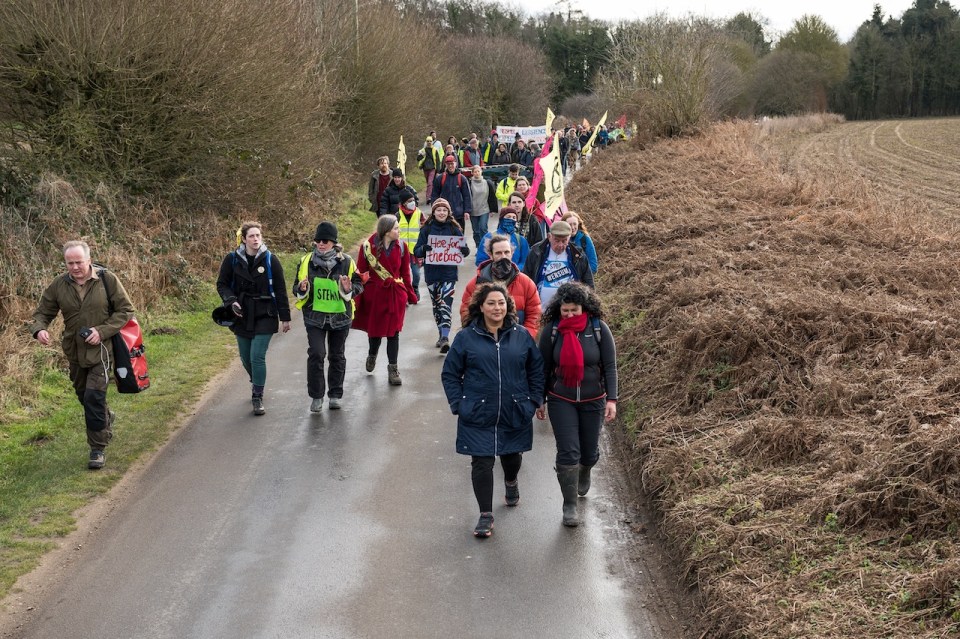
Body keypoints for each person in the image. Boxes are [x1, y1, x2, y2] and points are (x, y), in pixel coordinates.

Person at [441, 283, 544, 538]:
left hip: (515, 410)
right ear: (481, 306)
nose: (497, 308)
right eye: (491, 303)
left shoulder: (522, 336)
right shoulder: (466, 338)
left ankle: (511, 482)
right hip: (477, 412)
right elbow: (450, 374)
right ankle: (485, 514)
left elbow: (536, 371)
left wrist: (533, 401)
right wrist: (459, 404)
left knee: (511, 457)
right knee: (482, 461)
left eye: (501, 303)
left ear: (508, 305)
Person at [30, 240, 135, 469]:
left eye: (79, 262)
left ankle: (97, 449)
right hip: (74, 352)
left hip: (102, 351)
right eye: (70, 263)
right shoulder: (59, 285)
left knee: (93, 398)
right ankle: (106, 417)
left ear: (89, 260)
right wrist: (40, 329)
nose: (75, 267)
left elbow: (126, 310)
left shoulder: (107, 280)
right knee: (84, 397)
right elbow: (43, 312)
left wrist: (102, 331)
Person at [536, 282, 618, 527]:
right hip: (562, 399)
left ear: (584, 308)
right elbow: (543, 368)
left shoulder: (599, 329)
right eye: (565, 311)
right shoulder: (552, 332)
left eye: (574, 310)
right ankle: (569, 505)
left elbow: (611, 367)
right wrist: (540, 400)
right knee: (568, 451)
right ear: (558, 310)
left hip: (594, 399)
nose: (569, 315)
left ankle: (586, 468)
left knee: (588, 452)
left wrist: (612, 399)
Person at [216, 221, 292, 416]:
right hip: (242, 314)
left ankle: (257, 396)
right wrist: (231, 301)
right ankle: (256, 379)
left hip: (265, 313)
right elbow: (222, 284)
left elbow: (281, 290)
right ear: (243, 239)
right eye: (251, 236)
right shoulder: (232, 260)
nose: (256, 239)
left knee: (257, 356)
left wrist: (285, 317)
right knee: (245, 357)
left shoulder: (270, 260)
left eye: (258, 235)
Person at [293, 222, 364, 412]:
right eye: (317, 240)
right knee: (317, 354)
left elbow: (358, 285)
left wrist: (349, 289)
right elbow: (296, 288)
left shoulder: (347, 262)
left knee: (336, 356)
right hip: (314, 318)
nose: (320, 244)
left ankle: (335, 395)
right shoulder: (306, 261)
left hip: (340, 318)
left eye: (324, 241)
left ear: (333, 242)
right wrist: (302, 289)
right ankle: (317, 396)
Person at [353, 215, 417, 386]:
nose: (399, 231)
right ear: (387, 231)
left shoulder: (402, 246)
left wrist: (410, 294)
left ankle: (393, 368)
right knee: (375, 332)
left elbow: (405, 273)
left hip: (395, 294)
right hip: (375, 295)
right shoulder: (367, 246)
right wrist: (357, 295)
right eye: (396, 228)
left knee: (394, 333)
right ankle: (372, 354)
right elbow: (361, 273)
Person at [413, 198, 469, 353]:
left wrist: (464, 250)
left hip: (449, 274)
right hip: (432, 274)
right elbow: (416, 251)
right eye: (439, 210)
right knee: (437, 306)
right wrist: (425, 248)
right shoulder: (426, 229)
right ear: (434, 212)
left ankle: (445, 337)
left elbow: (464, 248)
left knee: (445, 304)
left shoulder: (453, 228)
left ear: (448, 212)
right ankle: (441, 334)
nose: (442, 212)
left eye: (444, 210)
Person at [461, 234, 541, 337]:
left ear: (512, 253)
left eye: (506, 252)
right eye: (498, 253)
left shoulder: (526, 283)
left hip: (517, 341)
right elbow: (466, 313)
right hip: (485, 340)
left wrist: (525, 338)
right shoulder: (476, 283)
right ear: (491, 255)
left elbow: (535, 314)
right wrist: (478, 337)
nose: (503, 256)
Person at [522, 219, 594, 309]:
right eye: (556, 240)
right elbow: (525, 279)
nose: (560, 245)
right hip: (540, 309)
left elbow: (588, 283)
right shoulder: (536, 252)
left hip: (569, 311)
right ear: (549, 236)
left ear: (569, 238)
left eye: (564, 241)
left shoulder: (577, 254)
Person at [475, 205, 529, 270]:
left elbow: (525, 261)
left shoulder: (521, 240)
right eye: (508, 217)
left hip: (515, 276)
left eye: (514, 217)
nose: (511, 219)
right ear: (501, 219)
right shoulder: (489, 237)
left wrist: (514, 270)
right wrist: (495, 270)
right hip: (493, 277)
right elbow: (480, 261)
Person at [430, 154, 472, 229]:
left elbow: (467, 196)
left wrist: (467, 211)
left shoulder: (462, 178)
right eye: (448, 164)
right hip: (444, 215)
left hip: (459, 215)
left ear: (455, 164)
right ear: (445, 165)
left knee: (459, 237)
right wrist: (434, 209)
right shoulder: (440, 178)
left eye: (452, 164)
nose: (450, 166)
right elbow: (434, 195)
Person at [397, 191, 423, 300]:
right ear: (403, 203)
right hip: (401, 251)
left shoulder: (419, 213)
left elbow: (425, 227)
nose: (412, 203)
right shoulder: (397, 215)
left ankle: (415, 287)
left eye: (413, 200)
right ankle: (404, 292)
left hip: (415, 250)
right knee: (403, 274)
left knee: (416, 273)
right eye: (409, 201)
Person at [467, 164, 498, 251]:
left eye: (478, 171)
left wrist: (493, 210)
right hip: (473, 210)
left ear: (481, 172)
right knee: (476, 231)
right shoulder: (469, 183)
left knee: (483, 228)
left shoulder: (487, 183)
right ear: (472, 173)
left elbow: (492, 196)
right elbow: (466, 196)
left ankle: (485, 247)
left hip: (484, 209)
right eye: (475, 171)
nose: (477, 173)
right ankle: (478, 247)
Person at [418, 136, 443, 202]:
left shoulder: (435, 150)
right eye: (428, 141)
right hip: (425, 168)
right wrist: (421, 155)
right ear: (426, 142)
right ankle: (432, 194)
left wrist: (437, 171)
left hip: (432, 168)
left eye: (430, 141)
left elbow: (437, 161)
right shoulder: (422, 150)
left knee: (430, 182)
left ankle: (428, 197)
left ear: (432, 142)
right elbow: (418, 159)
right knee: (429, 183)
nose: (429, 142)